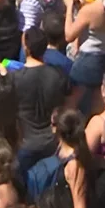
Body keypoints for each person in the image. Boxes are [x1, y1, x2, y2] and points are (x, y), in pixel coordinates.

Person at [13, 28, 73, 175]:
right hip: (52, 143)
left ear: (26, 47)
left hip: (25, 144)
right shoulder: (58, 75)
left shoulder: (14, 79)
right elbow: (69, 103)